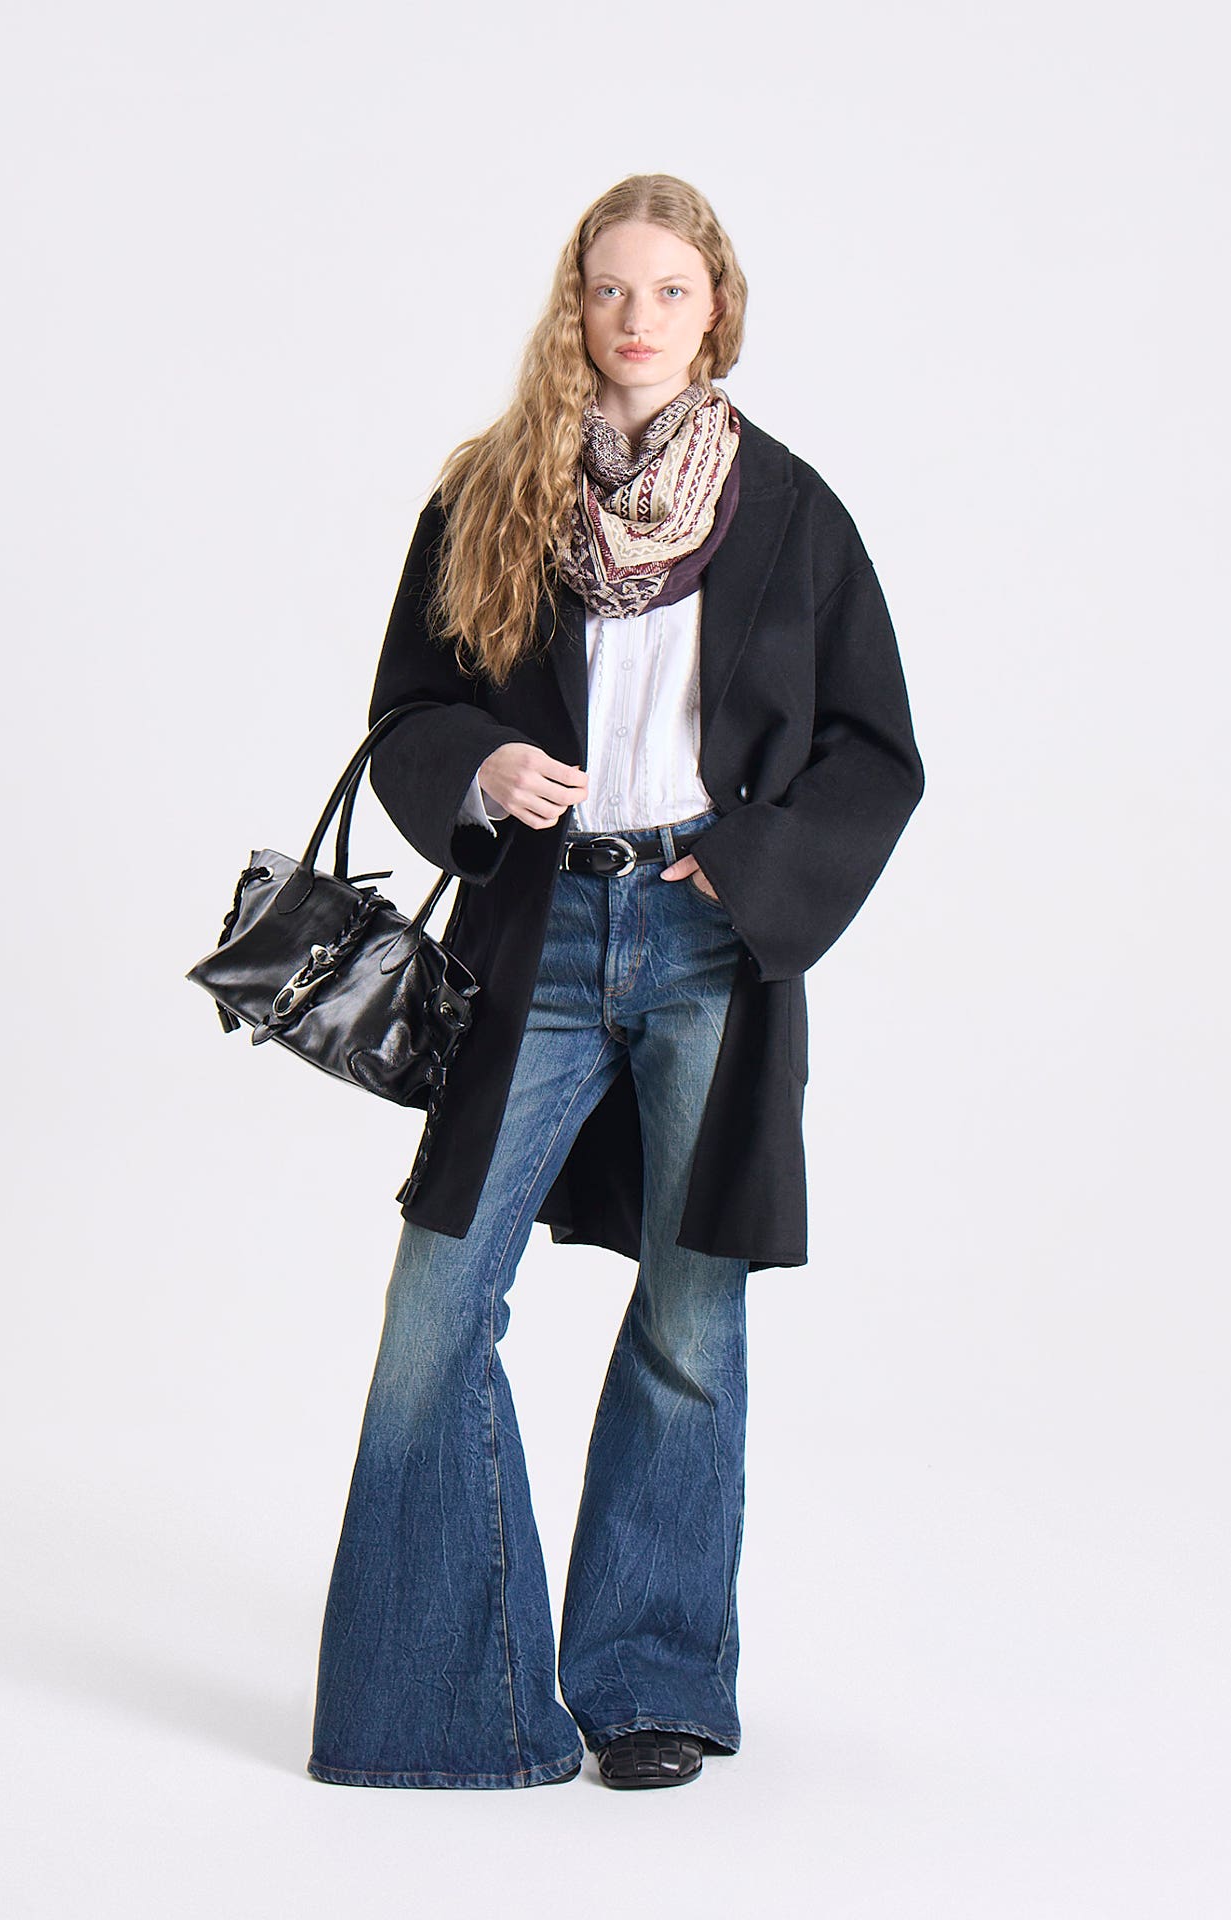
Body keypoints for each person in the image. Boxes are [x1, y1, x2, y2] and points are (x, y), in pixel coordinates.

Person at [306, 173, 924, 1793]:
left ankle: (650, 1685)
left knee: (690, 1316)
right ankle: (450, 1702)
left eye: (667, 290)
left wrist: (754, 864)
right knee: (440, 1299)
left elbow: (872, 751)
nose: (634, 318)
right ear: (571, 307)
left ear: (716, 310)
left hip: (711, 948)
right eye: (606, 289)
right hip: (541, 941)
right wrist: (482, 761)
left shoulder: (791, 513)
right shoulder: (494, 491)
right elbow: (407, 707)